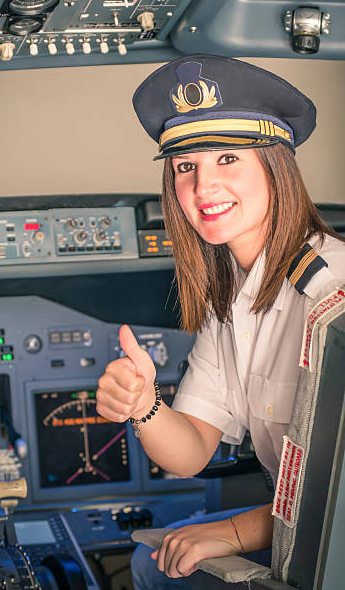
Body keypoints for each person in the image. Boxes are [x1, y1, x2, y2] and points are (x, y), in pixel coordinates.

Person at [96, 54, 345, 589]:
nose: (203, 187)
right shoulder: (231, 300)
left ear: (277, 165)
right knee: (152, 559)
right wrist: (144, 407)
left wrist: (234, 531)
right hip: (301, 539)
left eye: (228, 158)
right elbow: (190, 452)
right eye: (186, 167)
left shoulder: (335, 297)